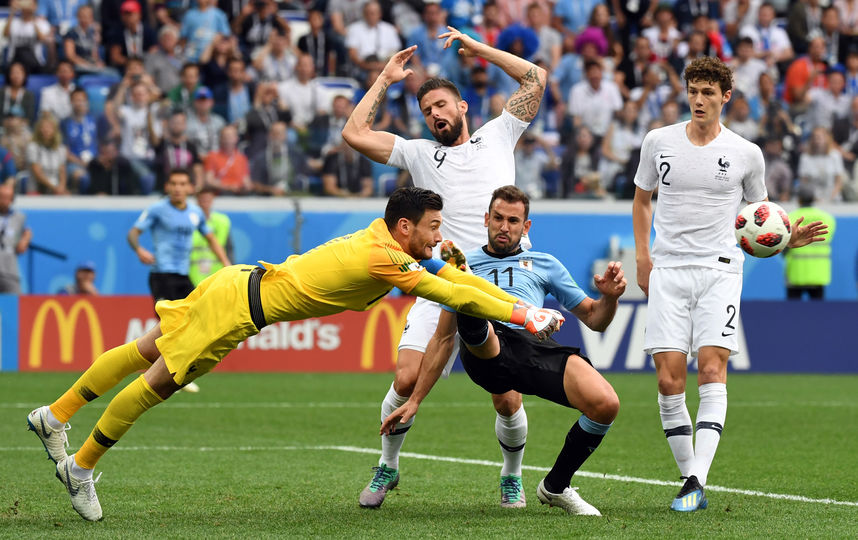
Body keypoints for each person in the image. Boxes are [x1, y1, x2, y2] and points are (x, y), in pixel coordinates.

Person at [26, 186, 565, 521]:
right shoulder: (384, 258)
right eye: (432, 228)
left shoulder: (384, 240)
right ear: (406, 228)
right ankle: (81, 467)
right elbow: (451, 294)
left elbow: (457, 279)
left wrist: (496, 293)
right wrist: (525, 314)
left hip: (236, 284)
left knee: (145, 348)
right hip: (237, 310)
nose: (439, 236)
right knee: (160, 380)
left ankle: (56, 415)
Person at [342, 29, 547, 509]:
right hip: (441, 282)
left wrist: (480, 51)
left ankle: (511, 476)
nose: (435, 114)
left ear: (462, 108)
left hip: (501, 282)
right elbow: (354, 134)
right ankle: (387, 466)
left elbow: (536, 78)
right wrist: (384, 81)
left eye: (441, 105)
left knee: (507, 397)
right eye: (427, 110)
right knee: (405, 379)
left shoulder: (498, 134)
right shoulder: (417, 153)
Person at [632, 56, 829, 512]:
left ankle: (696, 480)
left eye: (707, 92)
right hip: (668, 269)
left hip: (720, 268)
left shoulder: (746, 153)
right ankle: (690, 481)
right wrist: (644, 256)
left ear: (726, 97)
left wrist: (786, 241)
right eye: (692, 91)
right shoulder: (657, 141)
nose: (698, 100)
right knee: (667, 380)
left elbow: (761, 223)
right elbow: (643, 200)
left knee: (712, 369)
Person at [382, 186, 624, 514]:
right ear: (486, 219)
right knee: (471, 304)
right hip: (485, 347)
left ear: (526, 228)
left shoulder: (545, 264)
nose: (503, 226)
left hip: (532, 348)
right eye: (497, 218)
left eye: (513, 220)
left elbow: (596, 320)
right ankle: (476, 304)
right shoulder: (463, 263)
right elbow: (441, 339)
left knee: (606, 404)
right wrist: (415, 400)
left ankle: (555, 486)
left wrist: (609, 297)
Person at [128, 168, 230, 306]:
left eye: (182, 184)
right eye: (174, 183)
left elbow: (211, 238)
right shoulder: (157, 209)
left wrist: (226, 263)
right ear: (167, 186)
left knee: (194, 315)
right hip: (161, 275)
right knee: (168, 320)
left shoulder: (196, 212)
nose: (177, 188)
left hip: (183, 275)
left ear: (190, 188)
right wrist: (139, 250)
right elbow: (133, 233)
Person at [785, 187, 837, 300]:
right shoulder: (828, 219)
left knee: (792, 314)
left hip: (796, 273)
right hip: (818, 275)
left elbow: (784, 249)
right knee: (818, 315)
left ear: (799, 200)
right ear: (814, 199)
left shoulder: (790, 218)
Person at [188, 186, 233, 286]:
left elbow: (229, 248)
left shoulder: (222, 221)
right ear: (197, 201)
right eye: (202, 199)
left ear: (212, 200)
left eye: (208, 199)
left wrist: (230, 267)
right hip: (192, 273)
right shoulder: (188, 221)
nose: (205, 203)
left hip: (217, 273)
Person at [0, 182, 31, 293]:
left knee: (14, 302)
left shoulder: (19, 217)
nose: (4, 201)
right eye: (1, 197)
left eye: (7, 198)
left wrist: (25, 239)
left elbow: (27, 231)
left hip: (9, 269)